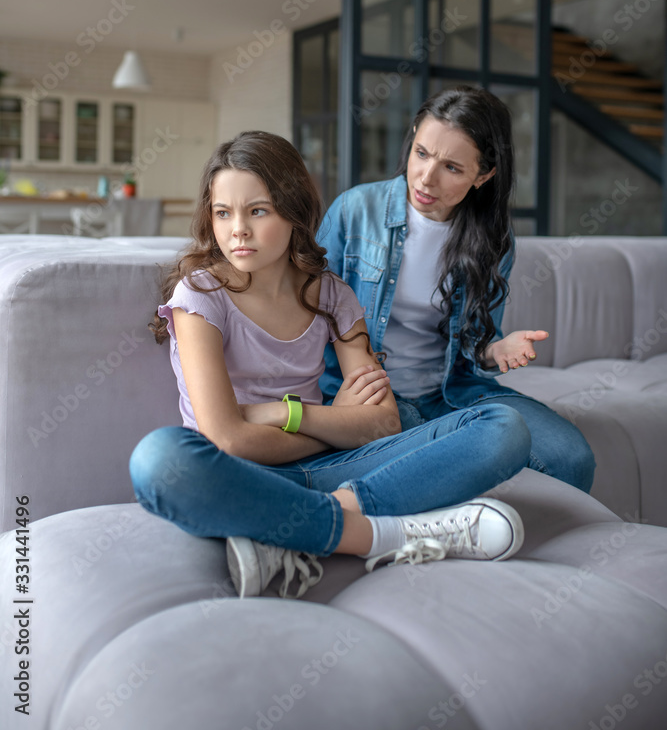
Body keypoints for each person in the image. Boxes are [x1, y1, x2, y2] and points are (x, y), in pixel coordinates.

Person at [129, 130, 531, 599]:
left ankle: (296, 523)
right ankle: (379, 535)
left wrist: (287, 412)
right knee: (157, 460)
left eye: (257, 210)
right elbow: (227, 440)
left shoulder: (334, 296)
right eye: (223, 213)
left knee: (504, 427)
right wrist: (338, 422)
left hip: (336, 467)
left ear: (294, 210)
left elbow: (381, 424)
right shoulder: (200, 295)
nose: (238, 229)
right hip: (242, 476)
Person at [318, 86, 595, 493]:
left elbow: (475, 343)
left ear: (483, 175)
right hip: (373, 394)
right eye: (422, 153)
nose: (426, 178)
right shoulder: (353, 211)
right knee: (444, 449)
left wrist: (494, 350)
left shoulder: (493, 240)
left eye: (452, 168)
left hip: (452, 392)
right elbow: (308, 313)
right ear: (412, 137)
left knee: (571, 459)